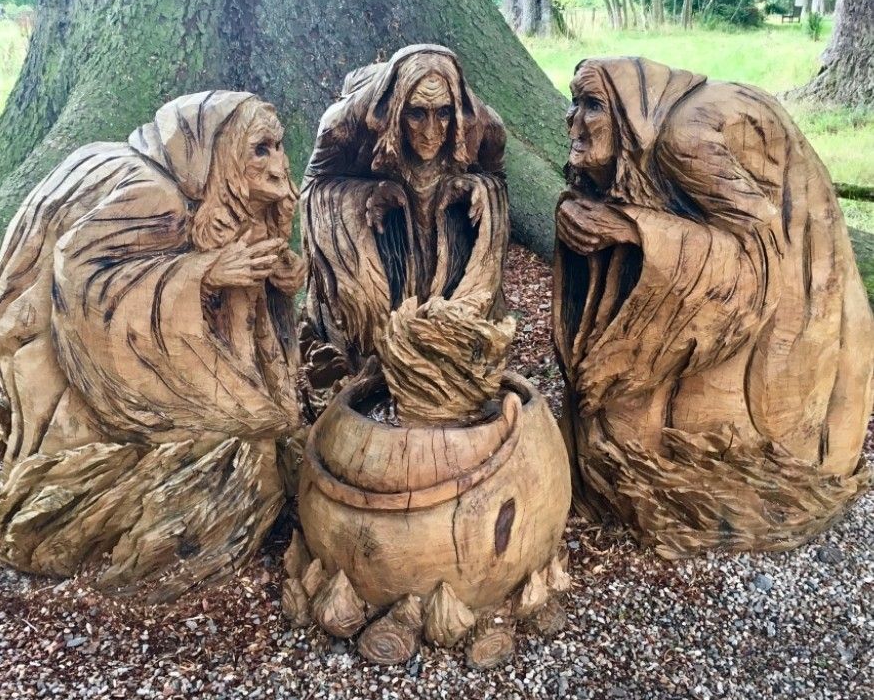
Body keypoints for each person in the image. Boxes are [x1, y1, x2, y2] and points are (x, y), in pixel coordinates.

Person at [552, 57, 874, 555]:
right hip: (753, 250)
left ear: (631, 113)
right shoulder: (647, 141)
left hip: (785, 288)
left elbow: (762, 259)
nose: (573, 122)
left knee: (744, 430)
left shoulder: (685, 140)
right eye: (574, 102)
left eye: (593, 105)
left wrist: (634, 229)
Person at [0, 91, 305, 591]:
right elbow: (83, 281)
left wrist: (275, 276)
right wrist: (204, 272)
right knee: (244, 435)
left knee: (257, 423)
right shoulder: (155, 195)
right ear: (218, 155)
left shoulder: (203, 189)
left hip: (92, 332)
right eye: (260, 150)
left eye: (279, 146)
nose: (278, 166)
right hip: (52, 343)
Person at [301, 44, 509, 367]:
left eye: (442, 113)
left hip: (448, 246)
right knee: (372, 351)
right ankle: (374, 358)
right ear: (396, 109)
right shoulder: (344, 126)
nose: (430, 132)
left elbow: (498, 181)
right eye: (416, 113)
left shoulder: (483, 128)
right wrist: (364, 195)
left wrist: (480, 188)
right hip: (383, 243)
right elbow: (313, 190)